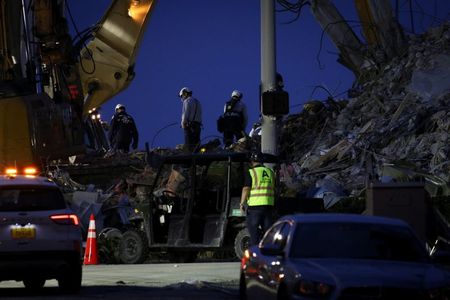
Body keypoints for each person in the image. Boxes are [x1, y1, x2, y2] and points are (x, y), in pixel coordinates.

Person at [240, 151, 276, 246]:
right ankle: (268, 252)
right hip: (268, 206)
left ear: (252, 161)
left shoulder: (251, 172)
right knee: (268, 233)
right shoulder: (270, 172)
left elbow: (246, 188)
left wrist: (242, 203)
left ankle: (255, 254)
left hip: (255, 207)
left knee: (254, 232)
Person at [179, 87, 202, 151]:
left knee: (189, 146)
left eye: (181, 96)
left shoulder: (187, 101)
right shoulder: (198, 102)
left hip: (189, 127)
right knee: (196, 146)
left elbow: (185, 114)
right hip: (198, 127)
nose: (181, 98)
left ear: (185, 94)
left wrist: (183, 124)